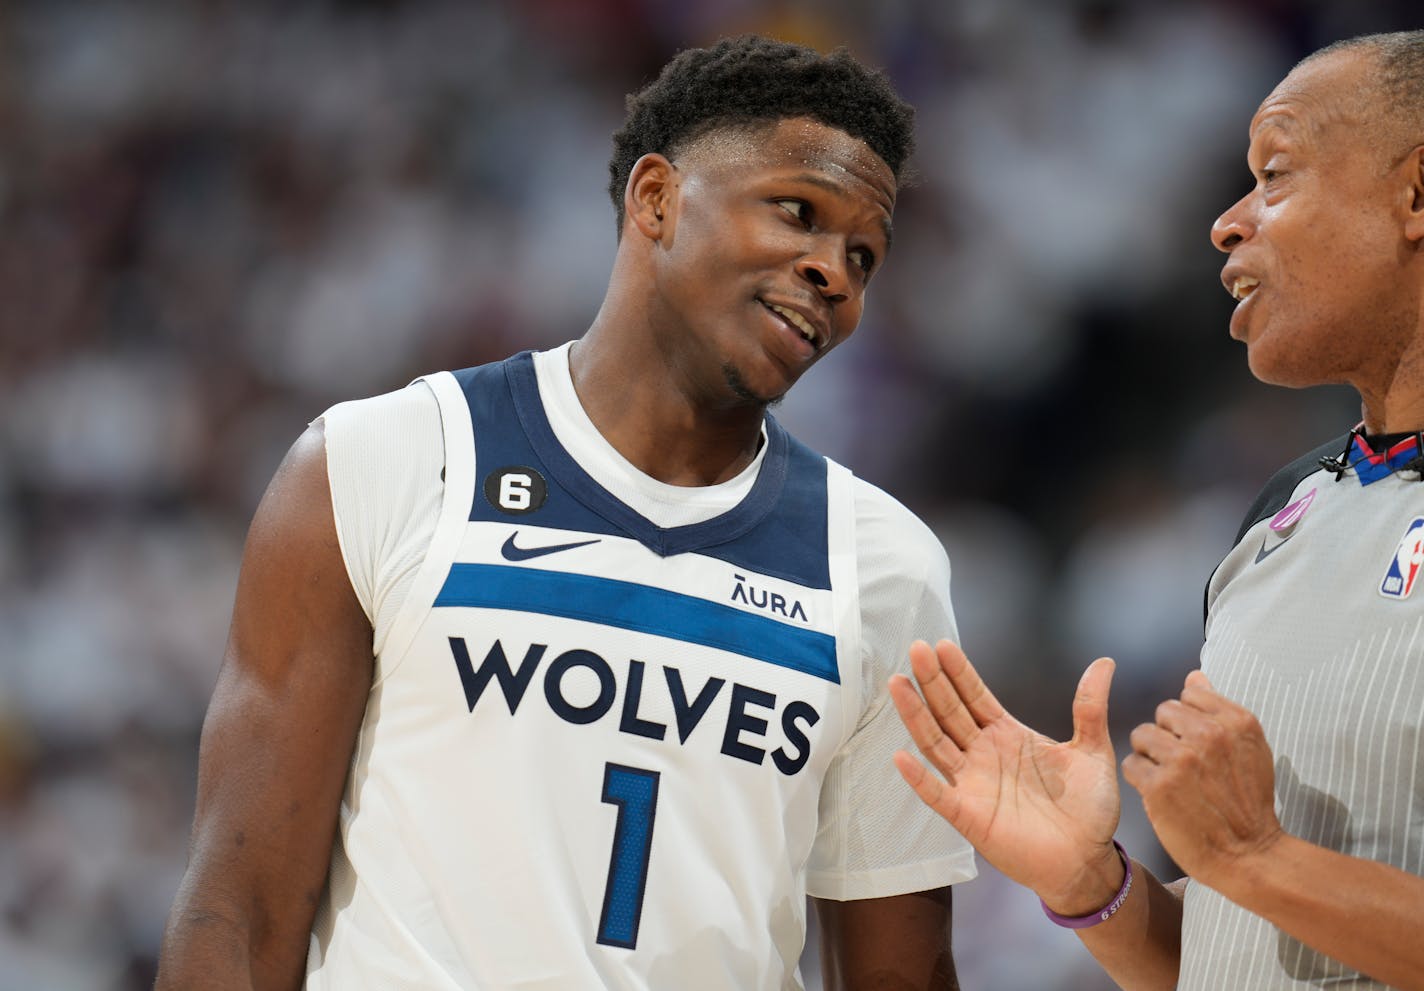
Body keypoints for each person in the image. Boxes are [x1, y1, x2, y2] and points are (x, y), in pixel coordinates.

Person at [155, 35, 976, 991]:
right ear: (657, 199)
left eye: (863, 256)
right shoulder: (381, 460)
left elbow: (902, 976)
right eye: (798, 212)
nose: (833, 271)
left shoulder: (884, 567)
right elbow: (237, 915)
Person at [890, 30, 1424, 991]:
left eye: (1275, 174)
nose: (1227, 223)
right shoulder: (1283, 513)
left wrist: (1258, 860)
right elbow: (1235, 948)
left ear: (1416, 195)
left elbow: (1258, 872)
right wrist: (1092, 879)